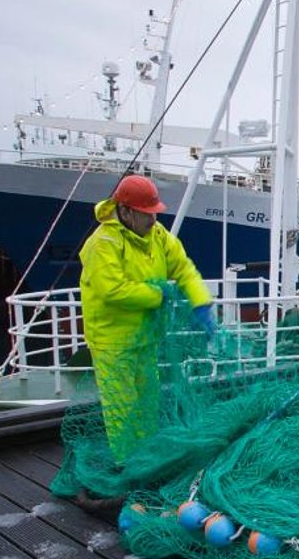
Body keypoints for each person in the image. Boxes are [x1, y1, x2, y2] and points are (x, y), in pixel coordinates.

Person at [79, 174, 215, 463]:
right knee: (122, 407)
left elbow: (184, 269)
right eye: (147, 215)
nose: (153, 220)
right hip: (112, 341)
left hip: (145, 337)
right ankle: (127, 465)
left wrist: (201, 303)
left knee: (147, 402)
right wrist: (160, 296)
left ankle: (147, 457)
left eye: (155, 214)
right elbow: (112, 290)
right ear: (125, 211)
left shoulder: (159, 236)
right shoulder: (102, 243)